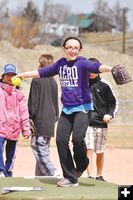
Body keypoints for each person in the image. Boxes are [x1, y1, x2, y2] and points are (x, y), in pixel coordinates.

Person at [14, 36, 115, 187]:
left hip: (83, 108)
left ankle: (82, 164)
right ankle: (70, 177)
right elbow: (42, 72)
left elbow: (97, 67)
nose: (72, 50)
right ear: (64, 48)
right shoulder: (61, 64)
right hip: (67, 110)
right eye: (69, 47)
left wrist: (112, 69)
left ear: (79, 50)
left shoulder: (82, 63)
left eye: (75, 48)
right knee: (61, 140)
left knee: (77, 139)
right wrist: (23, 75)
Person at [85, 57, 119, 181]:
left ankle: (99, 175)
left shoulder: (105, 85)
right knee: (88, 149)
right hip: (86, 123)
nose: (92, 72)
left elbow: (114, 103)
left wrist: (110, 115)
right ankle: (89, 176)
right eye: (90, 69)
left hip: (101, 124)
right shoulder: (82, 84)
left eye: (95, 69)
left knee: (99, 152)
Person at [28, 54, 59, 177]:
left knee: (38, 147)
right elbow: (56, 104)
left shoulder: (37, 79)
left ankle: (52, 172)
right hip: (50, 120)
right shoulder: (53, 82)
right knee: (44, 150)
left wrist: (29, 117)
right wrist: (54, 118)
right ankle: (39, 177)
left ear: (40, 65)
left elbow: (33, 102)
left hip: (40, 120)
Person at [0, 64, 31, 177]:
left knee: (11, 155)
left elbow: (24, 114)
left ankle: (7, 174)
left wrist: (26, 130)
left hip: (14, 128)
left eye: (13, 75)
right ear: (3, 76)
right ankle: (1, 171)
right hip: (1, 127)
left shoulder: (19, 95)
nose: (10, 77)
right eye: (8, 74)